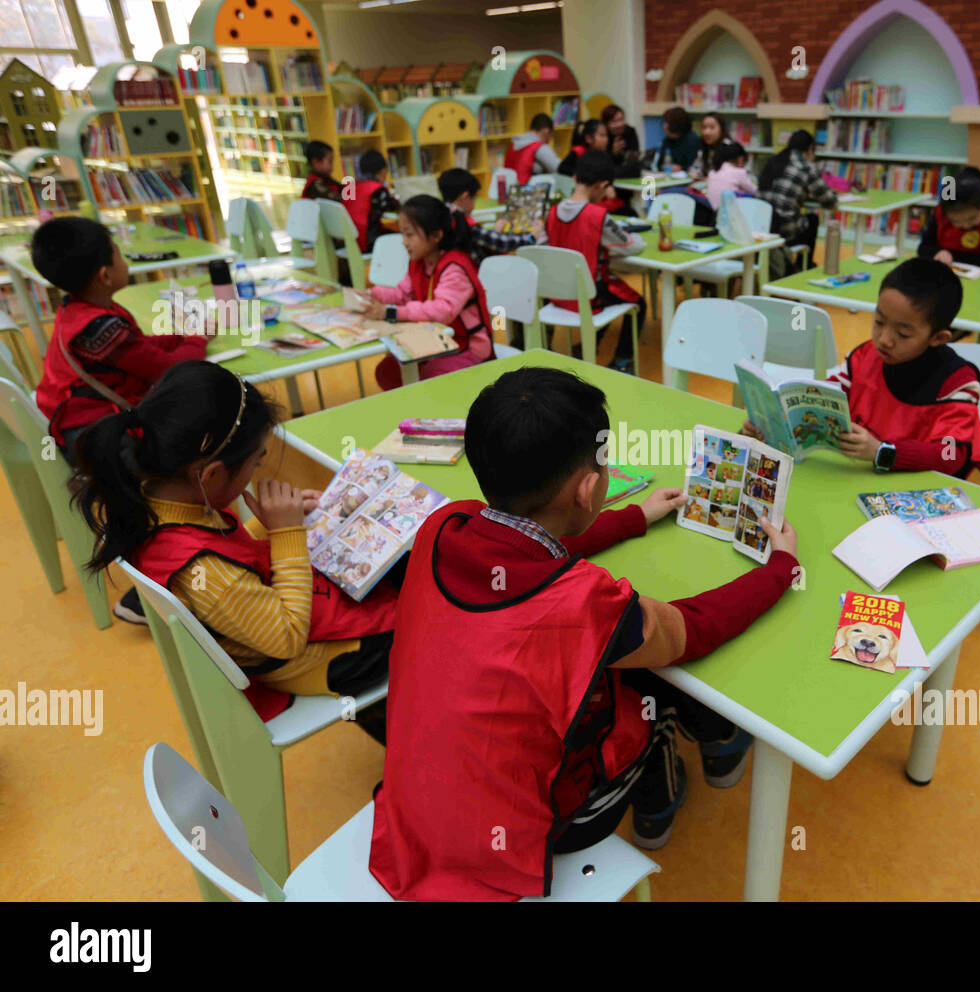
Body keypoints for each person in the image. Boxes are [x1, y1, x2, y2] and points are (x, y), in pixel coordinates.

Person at [367, 366, 801, 900]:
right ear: (591, 487)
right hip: (537, 834)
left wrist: (633, 517)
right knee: (659, 680)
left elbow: (526, 555)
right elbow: (693, 629)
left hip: (414, 814)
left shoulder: (443, 527)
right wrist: (780, 569)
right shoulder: (585, 604)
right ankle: (663, 786)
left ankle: (706, 749)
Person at [69, 362, 395, 739]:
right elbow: (285, 636)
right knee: (422, 599)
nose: (257, 471)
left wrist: (272, 524)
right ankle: (402, 723)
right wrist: (286, 532)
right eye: (256, 462)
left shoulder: (159, 502)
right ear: (210, 474)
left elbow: (230, 552)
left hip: (283, 628)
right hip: (326, 661)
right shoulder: (202, 571)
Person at [32, 216, 211, 626]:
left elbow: (142, 349)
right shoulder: (100, 328)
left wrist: (186, 338)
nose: (123, 257)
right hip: (93, 437)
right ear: (105, 272)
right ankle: (147, 592)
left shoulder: (85, 310)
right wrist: (197, 339)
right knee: (189, 468)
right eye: (118, 250)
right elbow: (166, 371)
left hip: (80, 424)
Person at [744, 258, 980, 478]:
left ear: (938, 338)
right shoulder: (864, 356)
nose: (884, 339)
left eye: (903, 333)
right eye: (879, 322)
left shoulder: (958, 382)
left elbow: (950, 455)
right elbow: (821, 397)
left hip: (915, 496)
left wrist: (882, 452)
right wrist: (771, 422)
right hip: (859, 479)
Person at [359, 195, 494, 389]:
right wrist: (372, 295)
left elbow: (443, 311)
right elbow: (403, 294)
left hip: (467, 347)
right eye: (402, 234)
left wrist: (391, 312)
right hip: (436, 340)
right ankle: (412, 410)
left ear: (436, 236)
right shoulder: (419, 261)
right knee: (388, 371)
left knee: (431, 377)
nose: (404, 242)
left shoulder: (455, 267)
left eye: (410, 235)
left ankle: (432, 415)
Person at [544, 151, 644, 373]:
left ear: (574, 178)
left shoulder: (551, 213)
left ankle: (588, 344)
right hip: (588, 296)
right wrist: (638, 237)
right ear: (603, 185)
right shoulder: (597, 215)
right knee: (638, 303)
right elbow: (631, 245)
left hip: (558, 294)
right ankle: (623, 361)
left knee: (612, 299)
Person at [758, 129, 838, 279]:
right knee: (812, 220)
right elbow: (829, 201)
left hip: (760, 227)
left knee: (800, 217)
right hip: (783, 229)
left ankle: (794, 265)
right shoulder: (805, 165)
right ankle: (804, 266)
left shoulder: (774, 160)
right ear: (810, 149)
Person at [437, 167, 543, 268]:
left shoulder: (441, 214)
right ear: (465, 197)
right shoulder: (461, 221)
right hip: (475, 271)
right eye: (474, 198)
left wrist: (495, 231)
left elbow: (484, 238)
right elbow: (501, 243)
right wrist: (531, 237)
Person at [916, 166, 980, 270]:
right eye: (954, 221)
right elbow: (923, 248)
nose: (965, 225)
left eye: (972, 219)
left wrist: (950, 255)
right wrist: (937, 252)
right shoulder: (942, 211)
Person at [343, 149, 401, 254]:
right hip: (368, 241)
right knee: (402, 238)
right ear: (383, 170)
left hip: (351, 240)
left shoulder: (352, 185)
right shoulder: (377, 190)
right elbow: (392, 207)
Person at [505, 113, 562, 178]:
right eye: (551, 136)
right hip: (529, 186)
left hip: (510, 186)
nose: (549, 141)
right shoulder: (539, 147)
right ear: (546, 131)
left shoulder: (514, 144)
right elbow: (559, 168)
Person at [706, 142, 758, 211]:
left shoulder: (713, 172)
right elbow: (755, 191)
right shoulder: (739, 172)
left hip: (713, 212)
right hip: (730, 213)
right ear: (741, 158)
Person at [654, 106, 702, 173]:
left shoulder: (693, 140)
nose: (664, 126)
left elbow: (696, 165)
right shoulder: (666, 140)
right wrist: (664, 167)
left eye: (666, 123)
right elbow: (657, 164)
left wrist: (681, 168)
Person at [601, 103, 642, 179]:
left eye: (621, 119)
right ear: (606, 124)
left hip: (627, 174)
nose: (619, 124)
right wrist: (613, 153)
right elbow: (602, 164)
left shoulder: (630, 132)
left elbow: (634, 157)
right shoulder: (603, 136)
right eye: (614, 121)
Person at [691, 112, 737, 178]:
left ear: (722, 129)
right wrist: (696, 174)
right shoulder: (705, 147)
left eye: (712, 128)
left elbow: (733, 176)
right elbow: (695, 169)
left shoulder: (730, 148)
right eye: (704, 127)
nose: (706, 132)